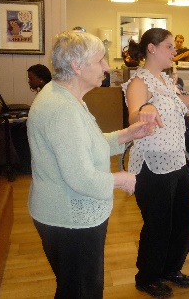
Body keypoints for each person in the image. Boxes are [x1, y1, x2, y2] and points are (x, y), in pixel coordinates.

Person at [27, 31, 152, 299]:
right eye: (100, 60)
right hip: (70, 219)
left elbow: (88, 144)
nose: (107, 67)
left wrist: (128, 134)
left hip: (63, 215)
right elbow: (81, 177)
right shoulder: (62, 109)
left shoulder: (64, 96)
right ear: (77, 65)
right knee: (82, 291)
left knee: (75, 286)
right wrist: (122, 179)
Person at [123, 28, 189, 298]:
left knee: (185, 220)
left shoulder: (165, 80)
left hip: (177, 161)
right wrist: (145, 110)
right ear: (152, 49)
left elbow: (181, 102)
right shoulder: (139, 82)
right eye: (169, 46)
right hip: (151, 165)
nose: (174, 51)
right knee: (158, 224)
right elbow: (133, 114)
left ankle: (170, 269)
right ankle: (147, 276)